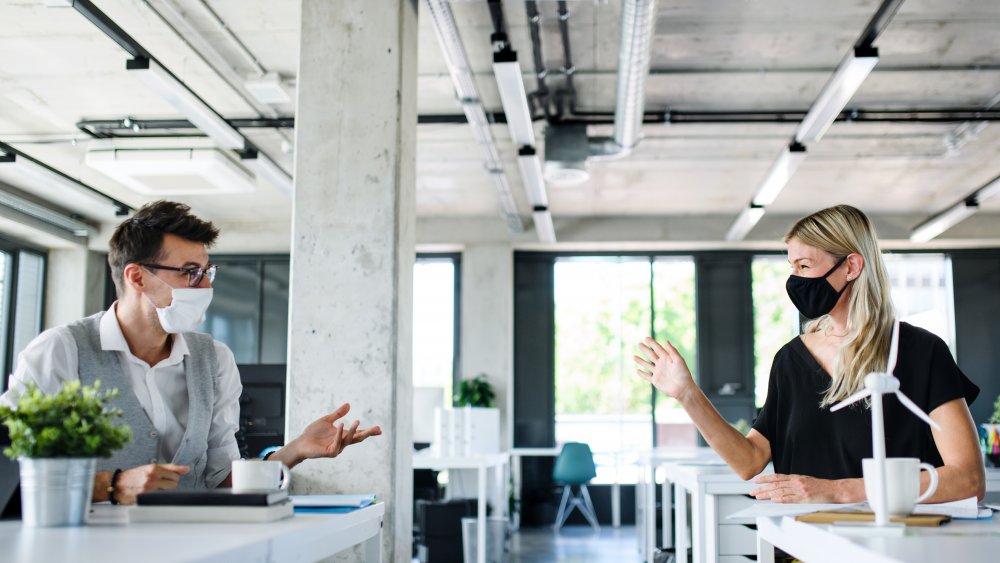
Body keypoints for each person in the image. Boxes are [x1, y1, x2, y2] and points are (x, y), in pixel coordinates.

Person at [0, 200, 381, 505]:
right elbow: (10, 470)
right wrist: (111, 485)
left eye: (206, 272)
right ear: (137, 277)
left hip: (192, 546)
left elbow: (221, 479)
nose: (202, 286)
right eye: (189, 272)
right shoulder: (61, 351)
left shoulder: (214, 360)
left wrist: (294, 450)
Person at [634, 205, 984, 504]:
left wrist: (839, 491)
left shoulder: (921, 352)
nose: (794, 280)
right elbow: (749, 461)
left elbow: (968, 479)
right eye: (792, 267)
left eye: (804, 266)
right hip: (804, 545)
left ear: (851, 266)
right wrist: (688, 395)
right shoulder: (790, 361)